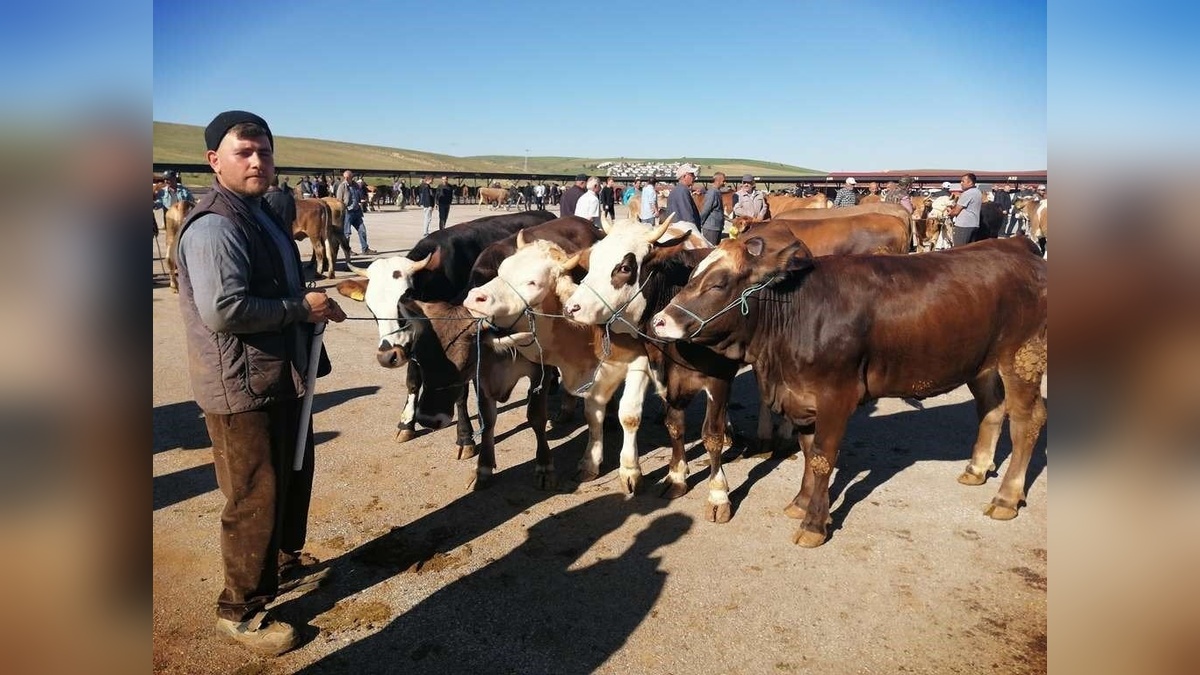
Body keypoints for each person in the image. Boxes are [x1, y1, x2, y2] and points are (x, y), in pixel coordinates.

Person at [175, 110, 346, 657]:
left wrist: (314, 307)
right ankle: (241, 611)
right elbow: (224, 311)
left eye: (264, 151)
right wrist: (300, 306)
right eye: (244, 152)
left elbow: (285, 283)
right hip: (239, 386)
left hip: (278, 374)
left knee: (295, 472)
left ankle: (282, 560)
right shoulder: (216, 225)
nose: (257, 161)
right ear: (213, 160)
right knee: (254, 494)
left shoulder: (262, 211)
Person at [336, 170, 375, 255]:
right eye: (346, 177)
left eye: (349, 177)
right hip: (347, 212)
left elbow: (359, 194)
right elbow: (338, 200)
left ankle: (365, 249)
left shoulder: (356, 185)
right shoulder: (342, 186)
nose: (347, 178)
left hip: (357, 211)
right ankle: (348, 251)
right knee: (347, 233)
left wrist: (361, 200)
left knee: (362, 230)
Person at [947, 173, 983, 247]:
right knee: (969, 250)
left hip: (963, 226)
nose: (961, 183)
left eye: (963, 181)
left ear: (970, 182)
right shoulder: (978, 192)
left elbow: (956, 211)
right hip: (974, 225)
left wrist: (949, 212)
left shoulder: (967, 193)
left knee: (959, 250)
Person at [666, 164, 702, 232]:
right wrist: (694, 233)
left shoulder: (675, 190)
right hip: (683, 233)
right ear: (684, 176)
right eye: (692, 175)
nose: (694, 177)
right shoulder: (683, 190)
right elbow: (687, 216)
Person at [699, 171, 728, 244]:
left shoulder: (717, 192)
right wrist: (700, 223)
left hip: (716, 227)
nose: (725, 183)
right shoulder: (712, 193)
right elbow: (706, 209)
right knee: (710, 250)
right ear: (718, 180)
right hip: (711, 229)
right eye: (723, 181)